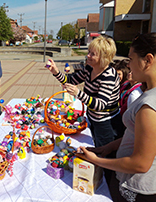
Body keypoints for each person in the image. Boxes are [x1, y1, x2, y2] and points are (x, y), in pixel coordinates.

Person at [76, 33, 156, 202]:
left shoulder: (149, 107)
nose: (128, 65)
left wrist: (97, 160)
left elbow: (140, 164)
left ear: (148, 60)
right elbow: (139, 135)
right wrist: (110, 147)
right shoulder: (147, 91)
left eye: (131, 59)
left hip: (135, 188)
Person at [47, 36, 123, 148]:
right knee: (94, 145)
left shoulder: (109, 75)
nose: (88, 56)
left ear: (104, 57)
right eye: (89, 52)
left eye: (93, 54)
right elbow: (71, 79)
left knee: (103, 151)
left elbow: (100, 105)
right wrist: (56, 72)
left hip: (106, 123)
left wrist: (78, 93)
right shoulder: (90, 68)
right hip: (93, 118)